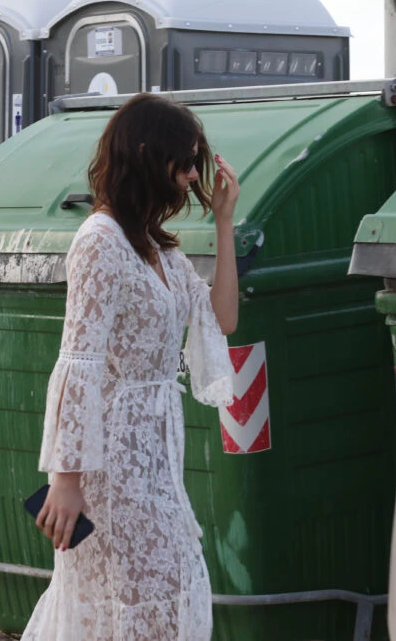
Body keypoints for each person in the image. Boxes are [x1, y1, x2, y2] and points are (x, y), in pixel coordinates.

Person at [25, 94, 240, 640]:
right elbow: (79, 362)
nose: (193, 176)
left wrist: (224, 224)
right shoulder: (100, 242)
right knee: (127, 594)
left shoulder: (155, 246)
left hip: (156, 457)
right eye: (186, 161)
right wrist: (66, 480)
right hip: (109, 463)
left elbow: (222, 319)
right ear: (147, 155)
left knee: (167, 586)